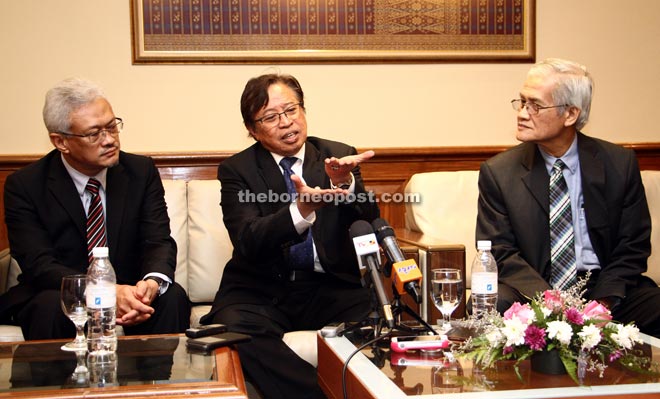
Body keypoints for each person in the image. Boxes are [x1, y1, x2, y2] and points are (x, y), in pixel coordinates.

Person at [200, 73, 380, 398]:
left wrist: (344, 185)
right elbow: (247, 239)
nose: (286, 123)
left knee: (380, 318)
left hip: (328, 286)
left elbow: (367, 221)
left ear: (303, 110)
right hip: (261, 289)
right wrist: (301, 210)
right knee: (231, 330)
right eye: (271, 117)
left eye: (291, 110)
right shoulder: (237, 170)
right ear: (252, 130)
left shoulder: (336, 155)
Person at [476, 58, 660, 338]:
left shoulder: (618, 164)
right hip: (531, 289)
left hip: (601, 287)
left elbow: (633, 246)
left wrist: (603, 303)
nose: (523, 113)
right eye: (522, 102)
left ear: (570, 114)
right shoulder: (499, 172)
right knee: (492, 305)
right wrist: (550, 302)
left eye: (535, 105)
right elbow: (501, 251)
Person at [1, 77, 190, 340]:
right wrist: (106, 290)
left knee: (173, 298)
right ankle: (63, 383)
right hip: (61, 290)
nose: (109, 139)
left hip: (130, 288)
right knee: (49, 308)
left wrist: (151, 283)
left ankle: (159, 381)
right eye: (94, 134)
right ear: (61, 142)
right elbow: (39, 264)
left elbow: (157, 240)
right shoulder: (26, 185)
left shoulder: (140, 171)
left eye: (112, 127)